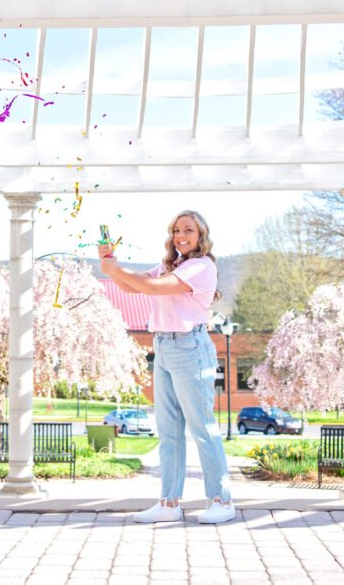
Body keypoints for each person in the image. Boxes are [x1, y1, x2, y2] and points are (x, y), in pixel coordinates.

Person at [97, 210, 234, 524]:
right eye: (176, 230)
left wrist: (114, 267)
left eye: (188, 230)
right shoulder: (170, 265)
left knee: (202, 427)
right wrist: (110, 266)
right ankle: (169, 503)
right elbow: (137, 286)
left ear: (201, 236)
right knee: (169, 430)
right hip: (163, 346)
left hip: (190, 348)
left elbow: (156, 288)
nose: (181, 236)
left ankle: (221, 499)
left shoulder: (202, 266)